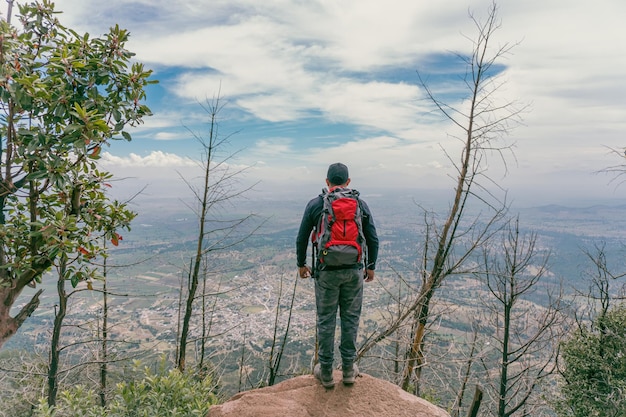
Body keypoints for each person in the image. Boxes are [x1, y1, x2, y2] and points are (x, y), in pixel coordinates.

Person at [296, 162, 379, 388]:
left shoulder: (316, 204)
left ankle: (326, 372)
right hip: (353, 271)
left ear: (327, 182)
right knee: (350, 319)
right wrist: (370, 266)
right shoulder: (359, 204)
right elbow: (372, 238)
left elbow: (302, 237)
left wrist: (301, 264)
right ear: (348, 182)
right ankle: (349, 370)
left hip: (326, 272)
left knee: (326, 320)